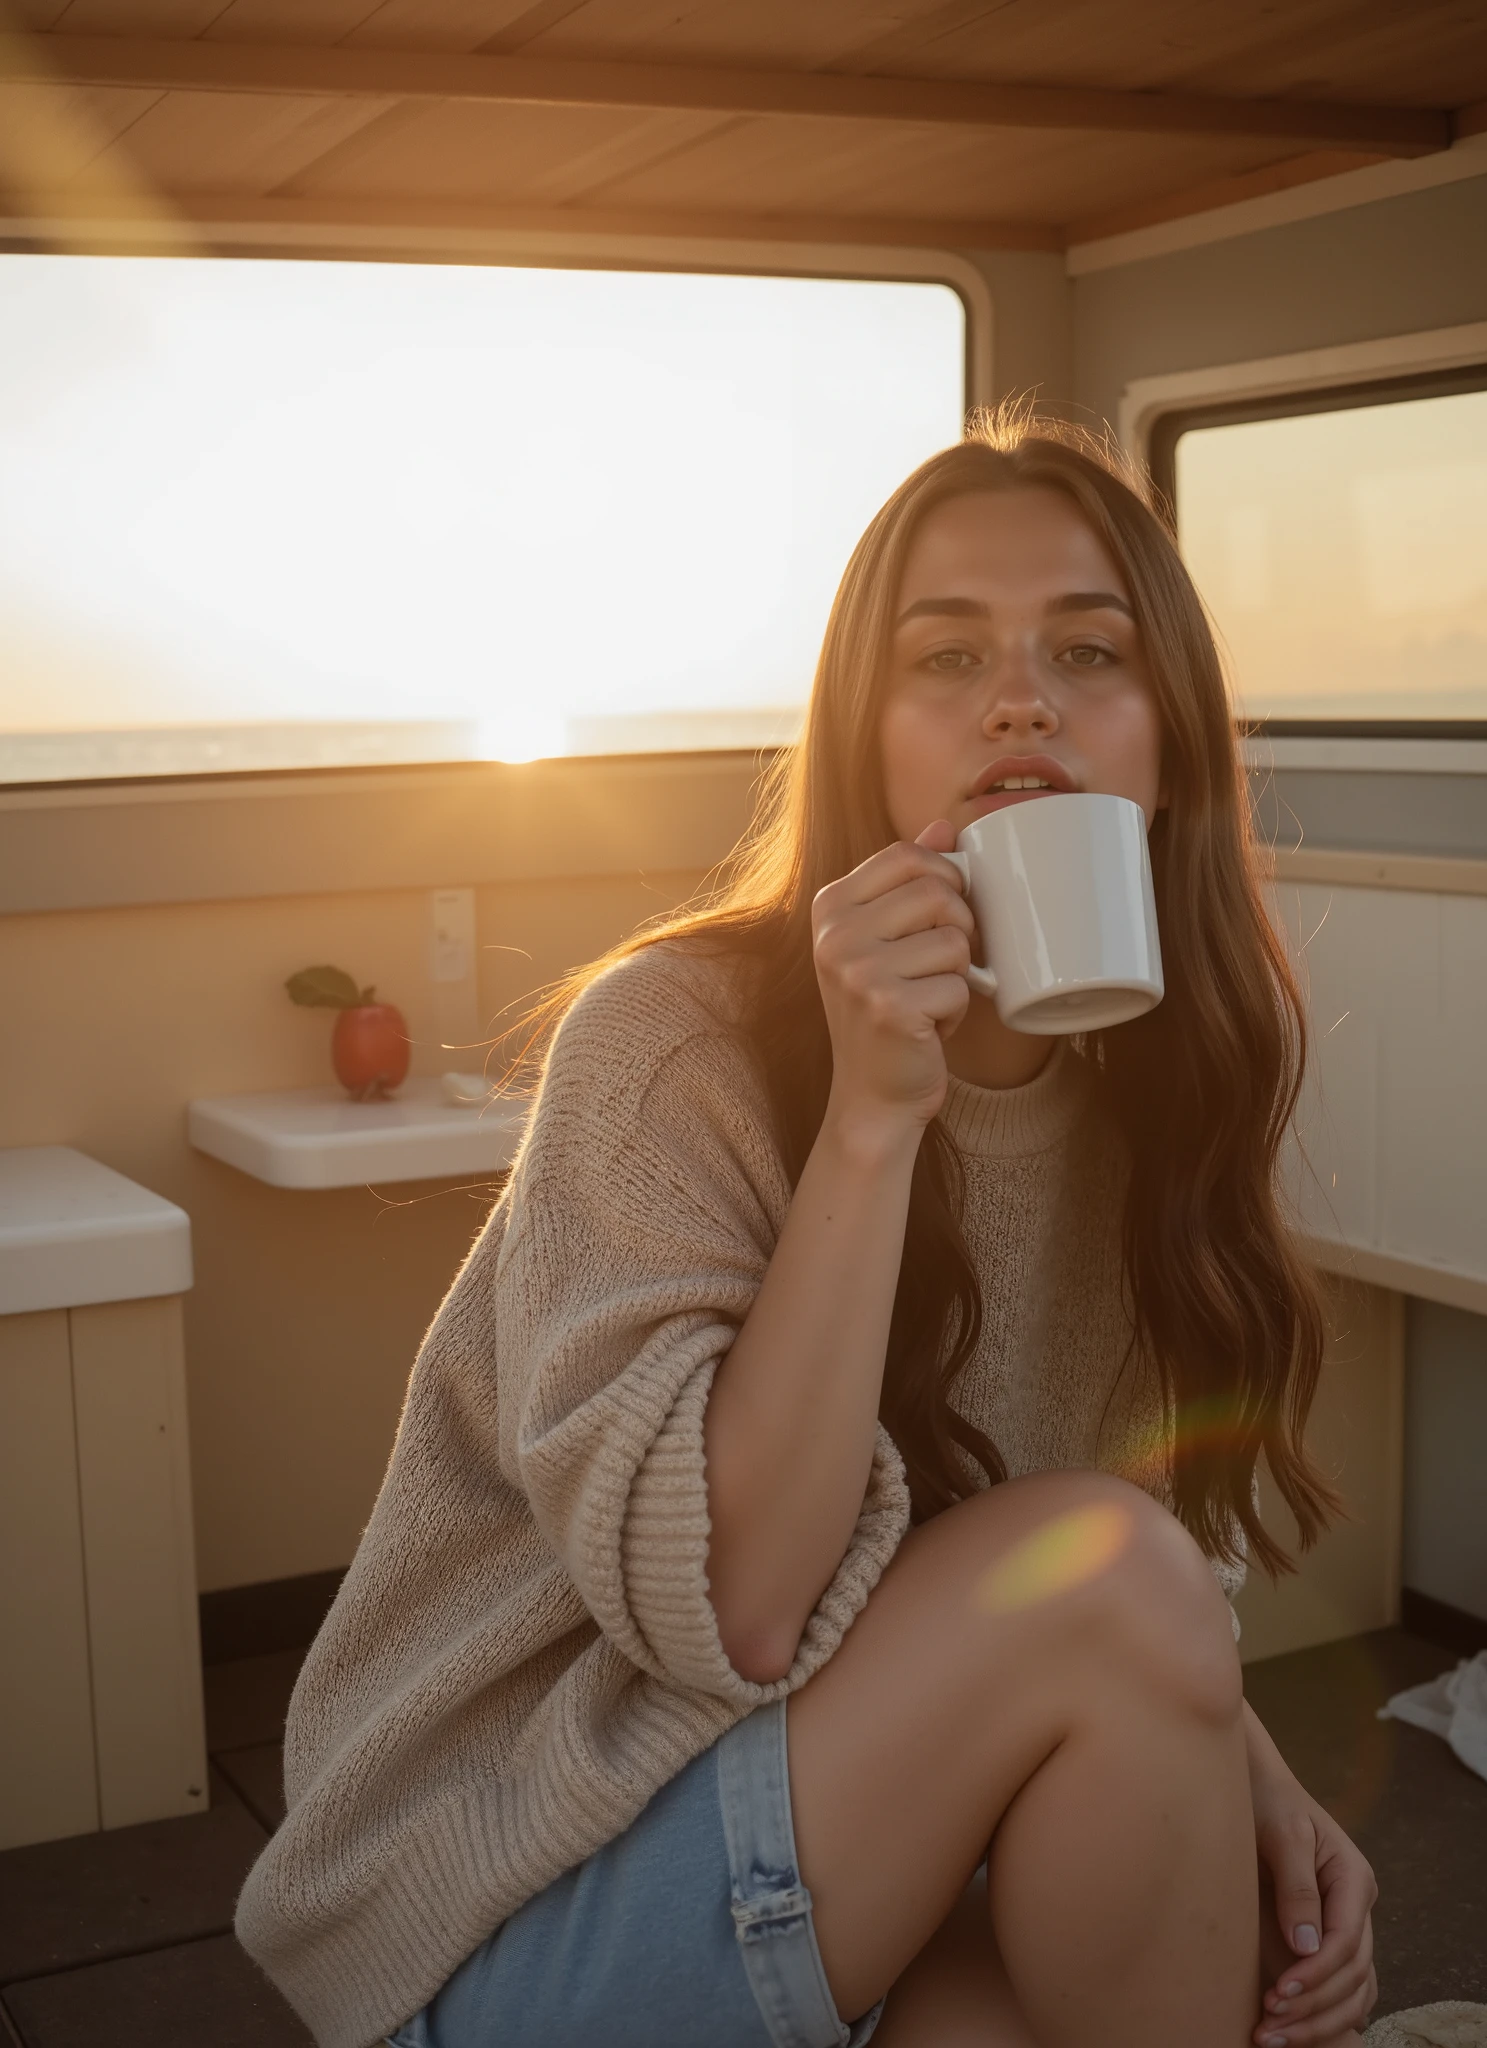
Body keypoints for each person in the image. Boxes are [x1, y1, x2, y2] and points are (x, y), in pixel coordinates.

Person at [237, 411, 1380, 2048]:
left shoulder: (1154, 1105)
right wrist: (871, 1117)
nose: (1019, 698)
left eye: (1088, 648)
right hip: (512, 1903)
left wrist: (1254, 1788)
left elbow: (1094, 1559)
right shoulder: (668, 1043)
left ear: (1172, 749)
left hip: (837, 1816)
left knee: (1098, 1978)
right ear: (870, 741)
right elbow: (748, 1607)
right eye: (947, 656)